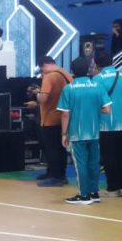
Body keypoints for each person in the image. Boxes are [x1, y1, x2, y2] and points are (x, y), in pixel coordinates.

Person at [58, 56, 112, 205]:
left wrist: (64, 134)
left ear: (73, 71)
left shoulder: (69, 88)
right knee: (94, 163)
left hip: (76, 132)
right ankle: (94, 193)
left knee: (81, 164)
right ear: (89, 69)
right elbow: (107, 110)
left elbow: (65, 114)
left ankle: (84, 195)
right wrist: (93, 110)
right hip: (94, 132)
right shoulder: (97, 86)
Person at [93, 52, 122, 196]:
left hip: (105, 123)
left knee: (108, 155)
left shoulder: (97, 79)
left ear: (96, 64)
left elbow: (95, 102)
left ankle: (112, 188)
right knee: (121, 154)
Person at [32, 56, 73, 186]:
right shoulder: (66, 74)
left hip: (50, 118)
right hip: (63, 117)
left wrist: (37, 94)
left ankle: (55, 176)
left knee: (52, 149)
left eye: (41, 69)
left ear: (44, 65)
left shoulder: (49, 77)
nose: (42, 72)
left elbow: (43, 98)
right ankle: (58, 174)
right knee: (60, 149)